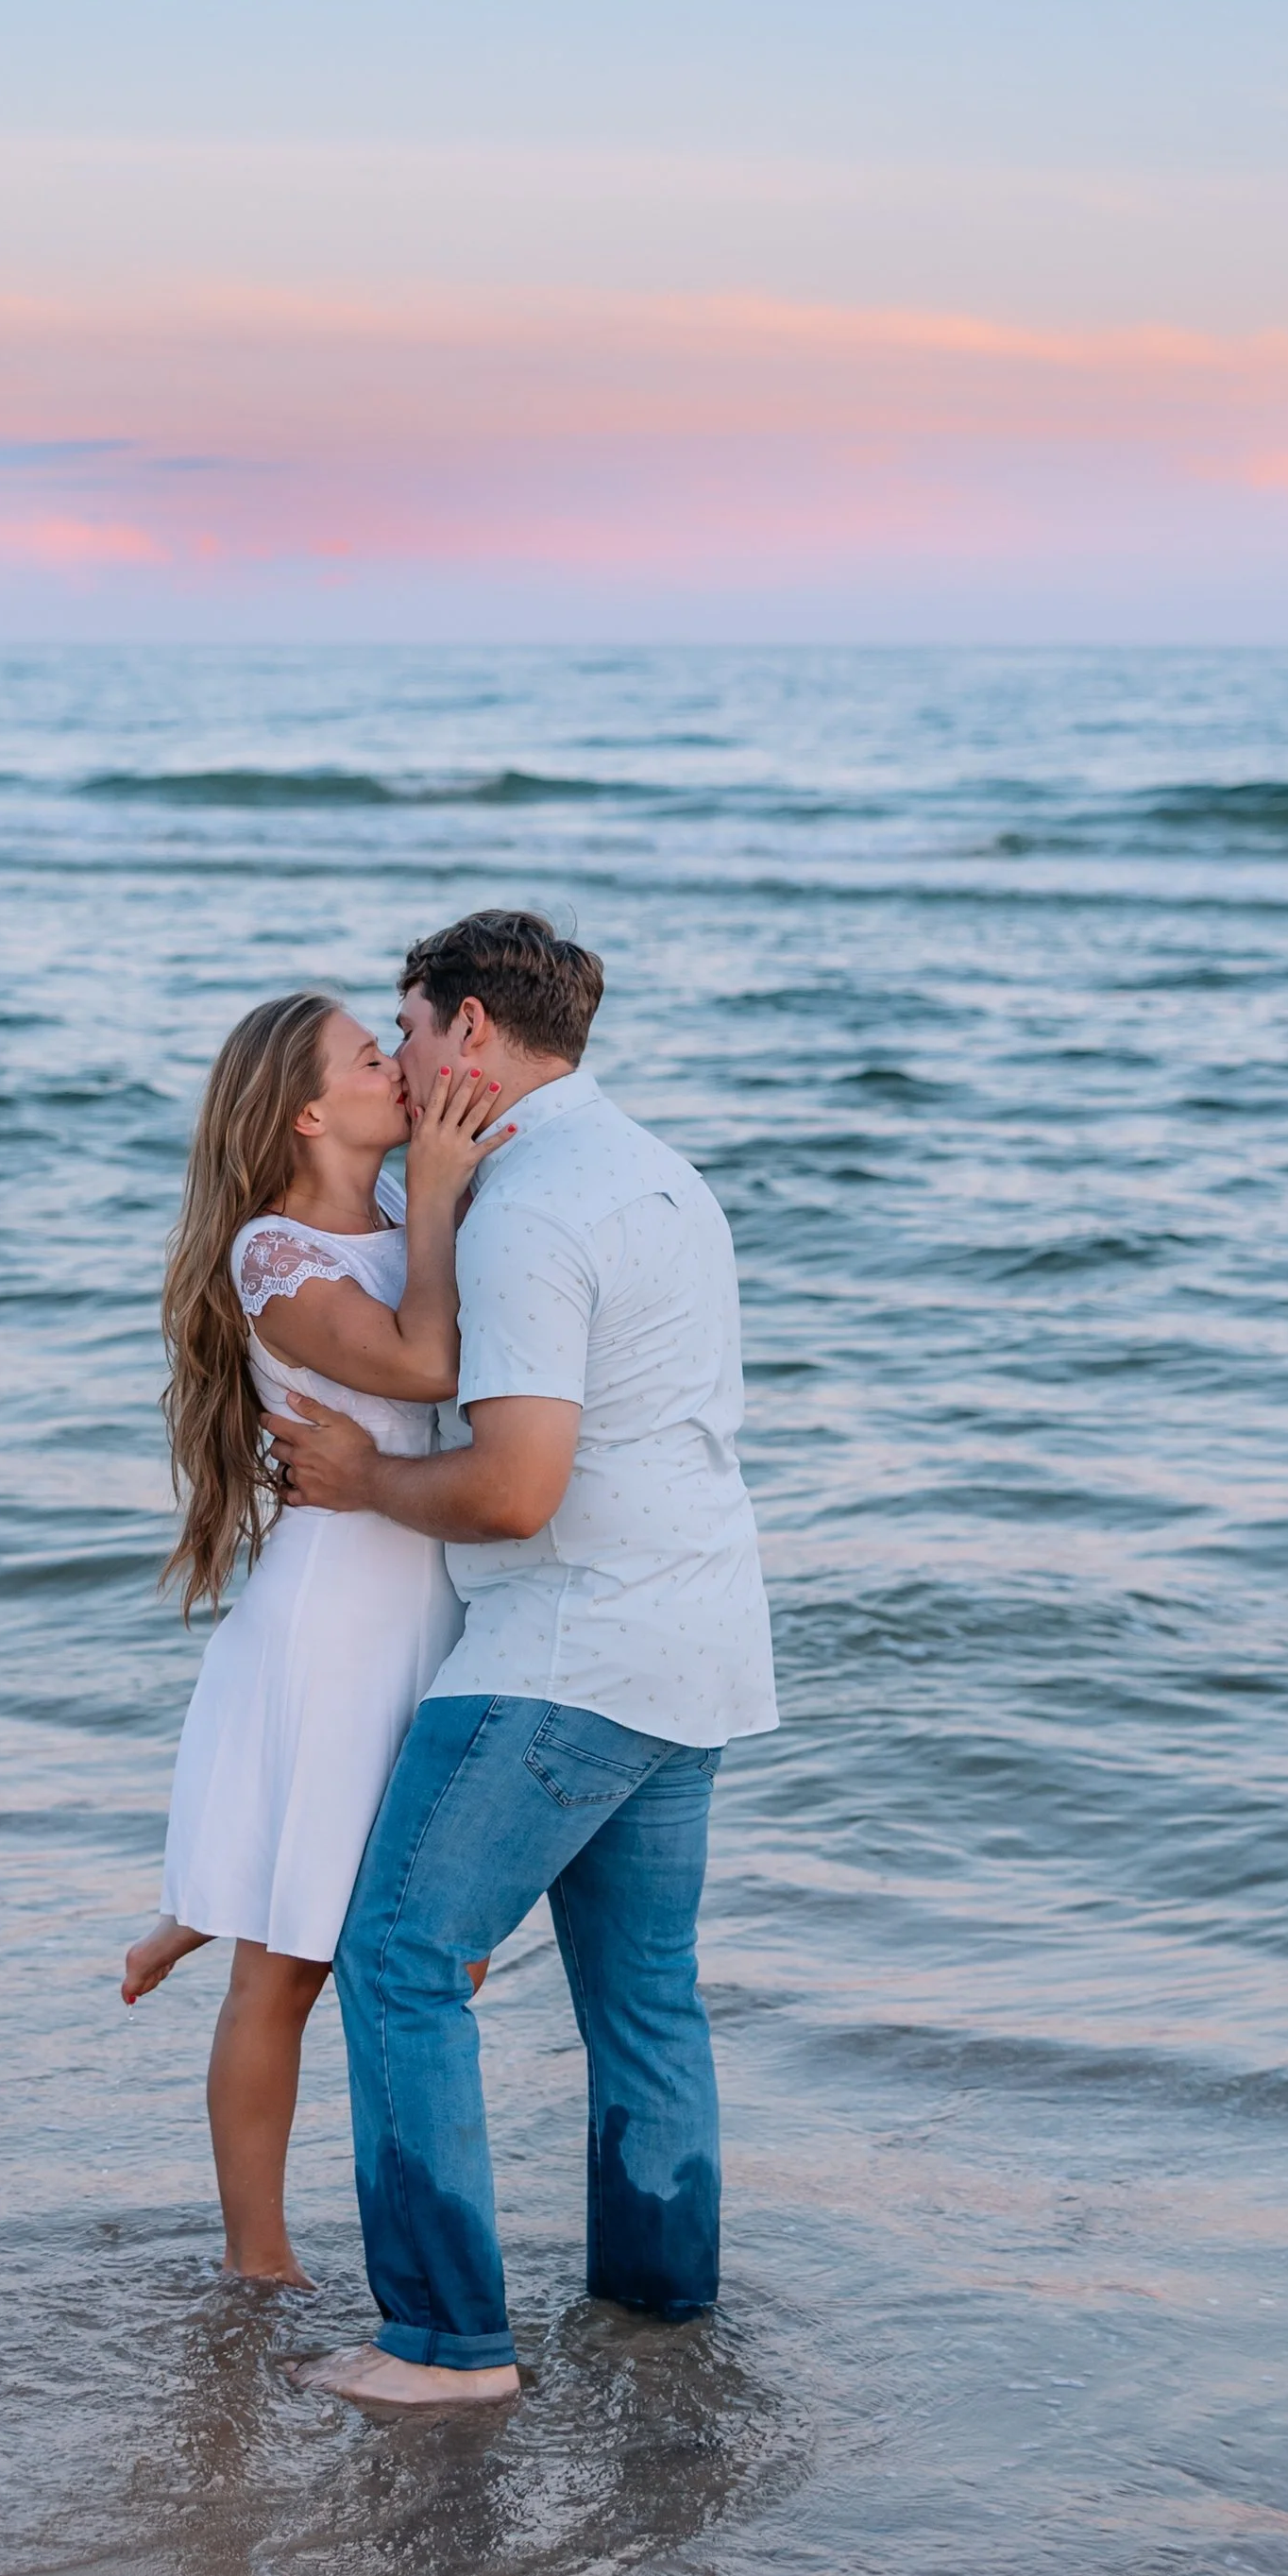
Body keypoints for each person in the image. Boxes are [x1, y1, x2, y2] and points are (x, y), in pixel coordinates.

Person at [264, 910, 779, 2409]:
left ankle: (443, 2342)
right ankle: (661, 2314)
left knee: (399, 1956)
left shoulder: (531, 1207)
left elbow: (513, 1488)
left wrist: (359, 1482)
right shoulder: (660, 1173)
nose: (402, 1053)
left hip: (571, 1647)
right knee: (646, 2000)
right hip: (696, 1648)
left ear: (472, 1030)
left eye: (408, 1028)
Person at [123, 991, 512, 2286]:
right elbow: (425, 1362)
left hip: (432, 1602)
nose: (398, 1069)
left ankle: (201, 1897)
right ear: (308, 1111)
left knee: (436, 1938)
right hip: (334, 1620)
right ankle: (260, 2257)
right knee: (288, 1968)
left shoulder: (403, 1217)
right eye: (369, 1056)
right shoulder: (276, 1258)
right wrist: (449, 1184)